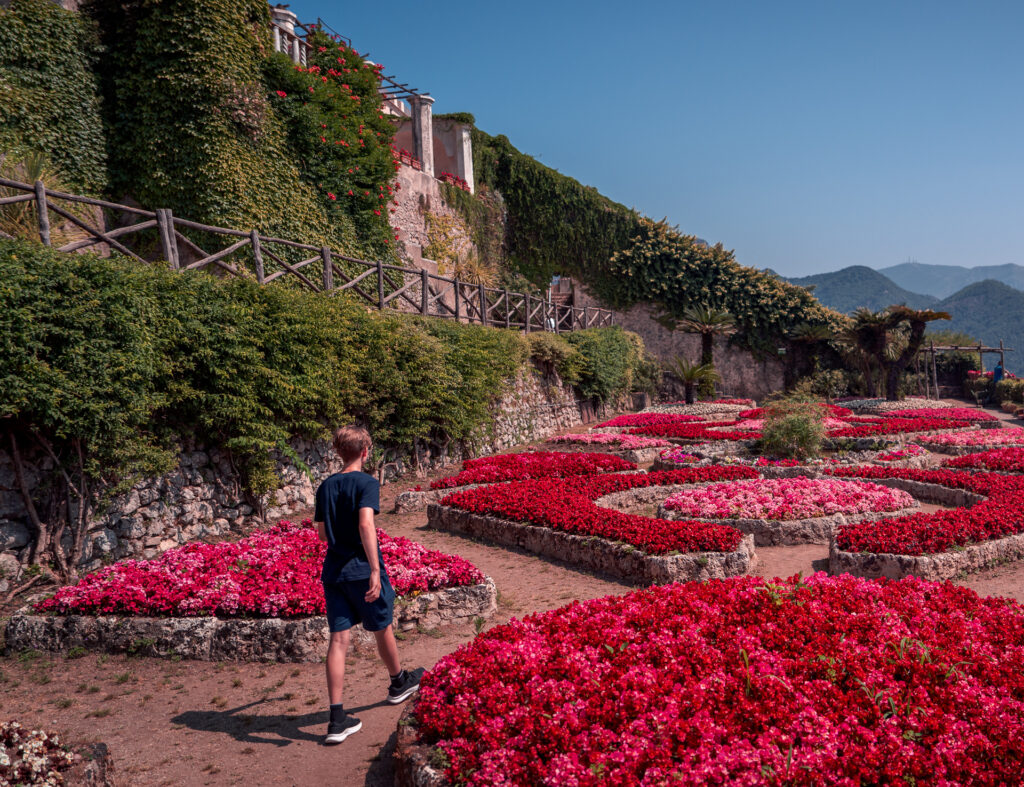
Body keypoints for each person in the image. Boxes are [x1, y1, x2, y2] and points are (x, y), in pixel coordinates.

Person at [314, 425, 423, 745]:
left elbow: (322, 534)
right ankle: (398, 682)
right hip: (362, 569)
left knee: (338, 640)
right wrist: (375, 569)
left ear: (338, 452)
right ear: (365, 452)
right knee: (381, 626)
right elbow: (366, 524)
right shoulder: (367, 483)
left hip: (334, 572)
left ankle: (336, 719)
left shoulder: (325, 486)